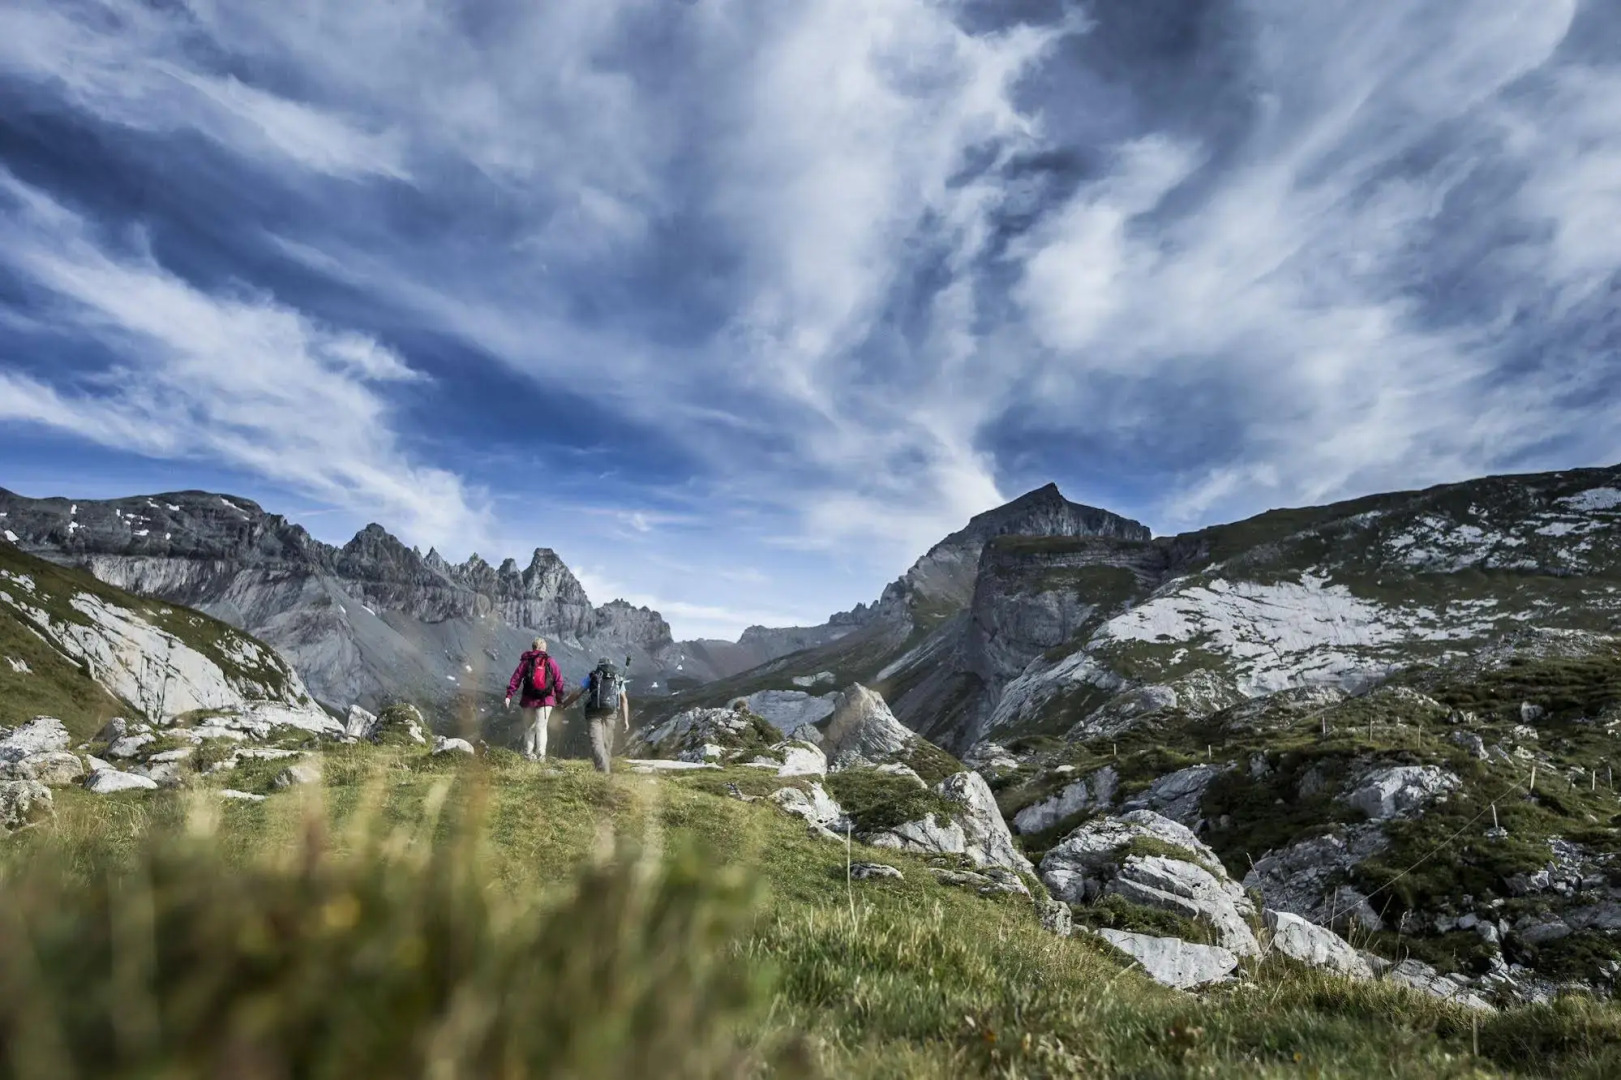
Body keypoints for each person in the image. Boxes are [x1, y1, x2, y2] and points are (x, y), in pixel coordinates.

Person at [560, 657, 629, 773]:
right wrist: (626, 720)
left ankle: (602, 771)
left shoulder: (593, 676)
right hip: (611, 712)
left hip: (593, 712)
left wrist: (564, 705)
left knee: (596, 742)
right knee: (607, 743)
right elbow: (624, 700)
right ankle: (605, 771)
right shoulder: (617, 678)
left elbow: (578, 693)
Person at [504, 637, 565, 760]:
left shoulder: (526, 661)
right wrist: (559, 700)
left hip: (528, 700)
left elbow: (516, 678)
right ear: (544, 648)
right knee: (541, 728)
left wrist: (509, 695)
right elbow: (559, 681)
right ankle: (541, 755)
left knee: (529, 728)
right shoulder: (550, 661)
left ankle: (528, 754)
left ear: (533, 648)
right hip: (546, 700)